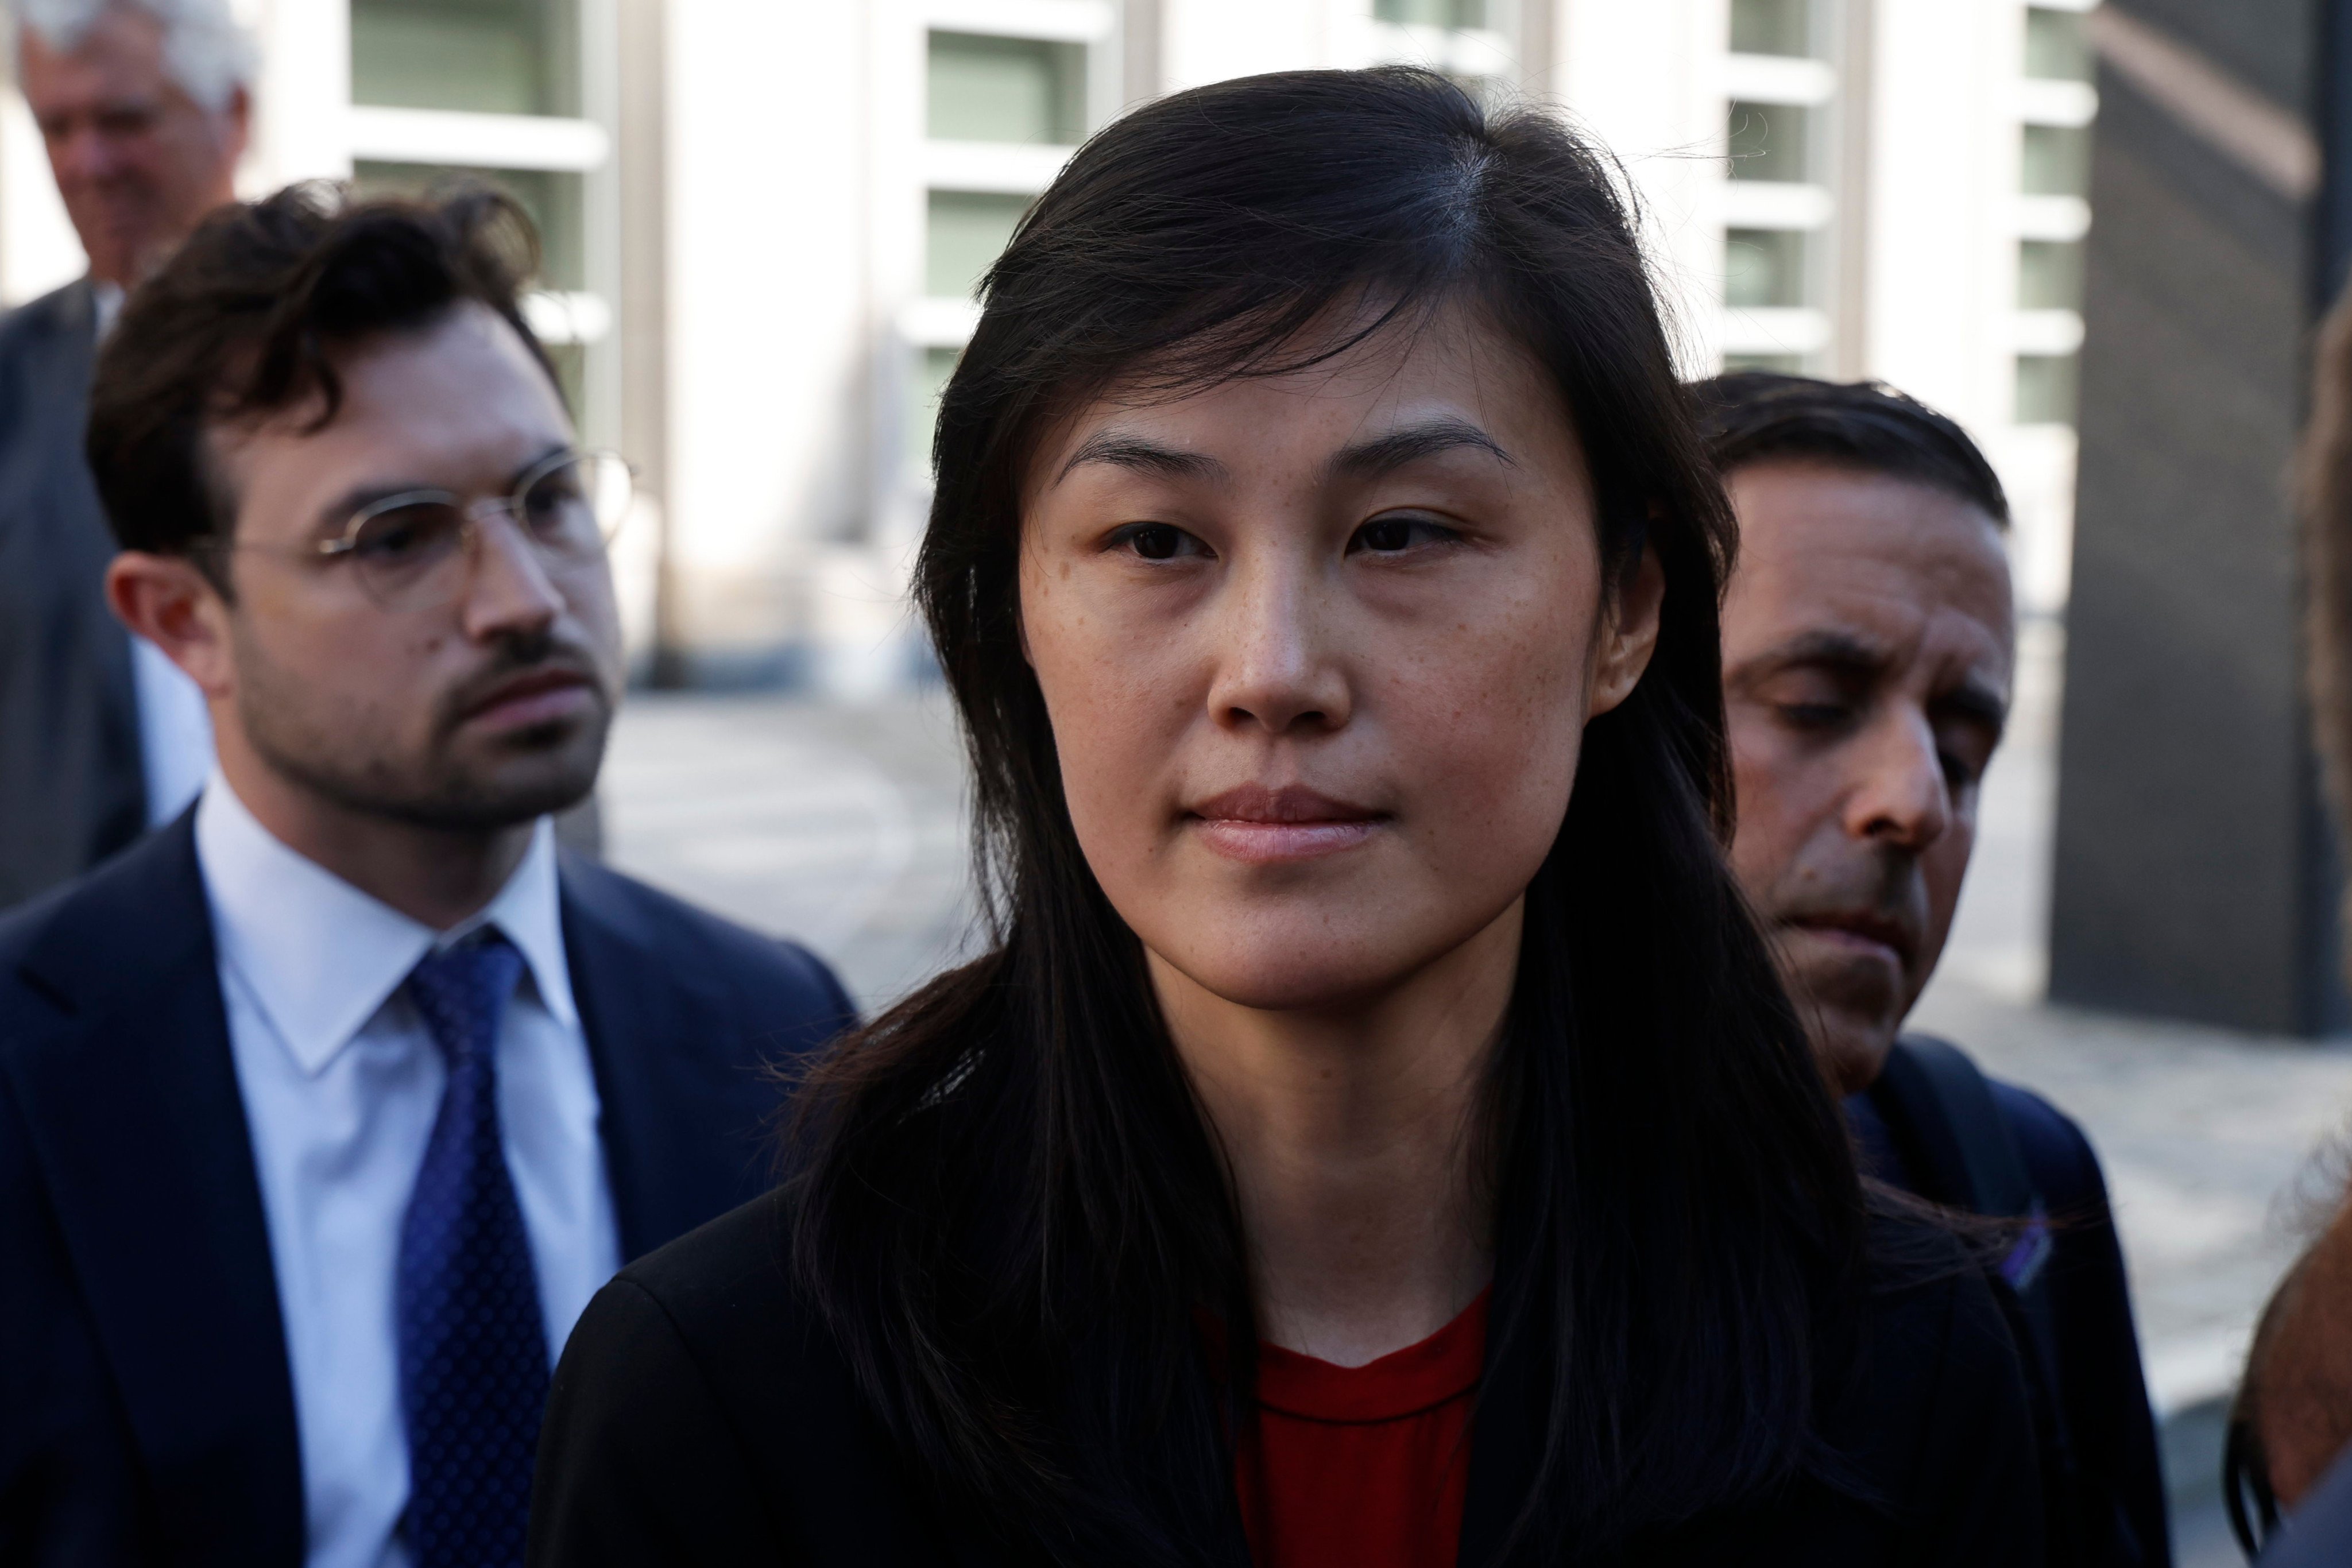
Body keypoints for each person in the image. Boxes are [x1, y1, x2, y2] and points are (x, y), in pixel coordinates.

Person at [529, 68, 2040, 1567]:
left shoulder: (1899, 1375)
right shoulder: (737, 1404)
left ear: (1625, 612)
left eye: (1402, 533)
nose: (1271, 672)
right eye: (1155, 540)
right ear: (1011, 619)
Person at [0, 186, 854, 1567]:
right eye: (395, 535)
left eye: (548, 495)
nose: (522, 595)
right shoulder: (27, 1075)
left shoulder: (775, 1030)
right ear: (181, 621)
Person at [1694, 371, 2168, 1567]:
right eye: (1812, 705)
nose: (1912, 803)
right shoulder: (1349, 1240)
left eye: (1959, 750)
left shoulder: (2019, 1182)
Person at [0, 0, 249, 908]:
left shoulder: (369, 356)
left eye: (125, 120)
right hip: (66, 988)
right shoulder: (9, 384)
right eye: (55, 126)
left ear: (237, 115)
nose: (83, 163)